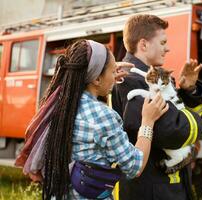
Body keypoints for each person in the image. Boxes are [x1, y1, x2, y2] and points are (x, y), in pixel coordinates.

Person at [37, 39, 168, 200]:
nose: (115, 76)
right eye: (113, 72)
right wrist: (148, 121)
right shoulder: (103, 116)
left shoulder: (58, 106)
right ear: (96, 79)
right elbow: (135, 166)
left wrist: (107, 73)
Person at [112, 14, 202, 200]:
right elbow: (172, 131)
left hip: (164, 187)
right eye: (163, 42)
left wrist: (189, 91)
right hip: (149, 190)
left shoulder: (151, 78)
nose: (168, 48)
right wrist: (200, 124)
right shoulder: (130, 81)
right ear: (144, 44)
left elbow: (177, 114)